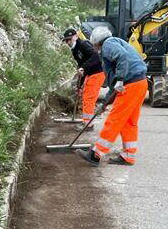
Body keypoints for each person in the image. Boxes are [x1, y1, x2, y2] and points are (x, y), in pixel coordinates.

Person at [75, 26, 148, 167]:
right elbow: (113, 85)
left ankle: (96, 154)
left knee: (114, 119)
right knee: (129, 122)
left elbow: (122, 58)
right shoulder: (115, 43)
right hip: (140, 83)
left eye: (95, 46)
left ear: (97, 42)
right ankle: (128, 155)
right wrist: (104, 104)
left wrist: (120, 79)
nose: (95, 49)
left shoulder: (108, 45)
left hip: (130, 84)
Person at [61, 28, 105, 130]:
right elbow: (81, 68)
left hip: (97, 73)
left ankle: (88, 124)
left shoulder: (83, 45)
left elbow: (95, 57)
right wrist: (79, 86)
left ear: (76, 37)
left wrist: (83, 67)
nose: (68, 42)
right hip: (90, 74)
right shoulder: (74, 50)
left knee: (89, 98)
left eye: (69, 39)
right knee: (85, 96)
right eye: (66, 40)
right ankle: (86, 122)